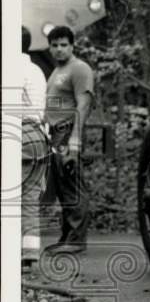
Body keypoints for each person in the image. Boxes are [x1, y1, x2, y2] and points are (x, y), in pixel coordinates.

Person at [43, 25, 94, 254]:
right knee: (64, 187)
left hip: (68, 131)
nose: (59, 50)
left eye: (64, 45)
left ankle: (76, 240)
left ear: (72, 46)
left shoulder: (79, 69)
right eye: (54, 45)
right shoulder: (57, 71)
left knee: (73, 185)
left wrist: (74, 143)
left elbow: (83, 106)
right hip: (55, 133)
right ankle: (67, 237)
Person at [20, 27, 49, 270]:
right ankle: (29, 253)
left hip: (17, 134)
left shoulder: (11, 68)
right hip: (38, 136)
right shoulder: (36, 70)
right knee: (29, 198)